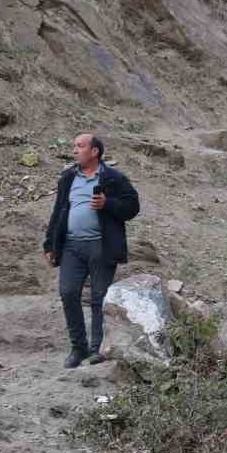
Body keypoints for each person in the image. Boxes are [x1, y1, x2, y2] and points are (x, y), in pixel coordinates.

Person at [42, 133, 140, 368]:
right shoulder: (67, 178)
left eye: (80, 146)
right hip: (71, 247)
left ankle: (97, 348)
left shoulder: (113, 178)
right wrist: (49, 244)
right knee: (68, 292)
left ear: (94, 151)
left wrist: (108, 204)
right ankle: (79, 348)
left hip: (101, 246)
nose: (75, 150)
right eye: (74, 146)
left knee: (99, 298)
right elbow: (58, 211)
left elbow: (133, 206)